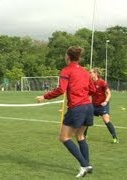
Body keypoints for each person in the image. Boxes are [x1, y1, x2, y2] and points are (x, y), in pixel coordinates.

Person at [36, 46, 96, 177]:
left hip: (77, 108)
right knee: (80, 136)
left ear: (68, 57)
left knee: (63, 137)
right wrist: (83, 94)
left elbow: (61, 90)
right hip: (88, 107)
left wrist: (44, 97)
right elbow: (92, 90)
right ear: (78, 57)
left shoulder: (66, 70)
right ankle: (87, 165)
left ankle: (84, 165)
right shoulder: (85, 72)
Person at [88, 68, 119, 143]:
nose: (89, 74)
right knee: (87, 118)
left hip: (102, 105)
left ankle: (115, 138)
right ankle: (83, 135)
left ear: (95, 73)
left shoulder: (102, 82)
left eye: (91, 72)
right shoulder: (90, 82)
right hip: (93, 105)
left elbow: (108, 93)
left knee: (106, 120)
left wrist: (105, 101)